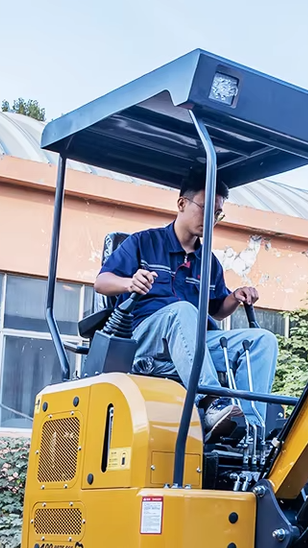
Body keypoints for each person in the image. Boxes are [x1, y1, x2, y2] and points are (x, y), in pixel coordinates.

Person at [94, 167, 278, 440]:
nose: (211, 219)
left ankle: (250, 429)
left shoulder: (209, 262)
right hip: (146, 339)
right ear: (182, 203)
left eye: (217, 214)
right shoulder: (143, 242)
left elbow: (217, 308)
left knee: (263, 340)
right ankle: (211, 401)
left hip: (194, 344)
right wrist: (129, 282)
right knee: (182, 311)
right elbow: (102, 282)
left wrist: (234, 297)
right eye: (205, 209)